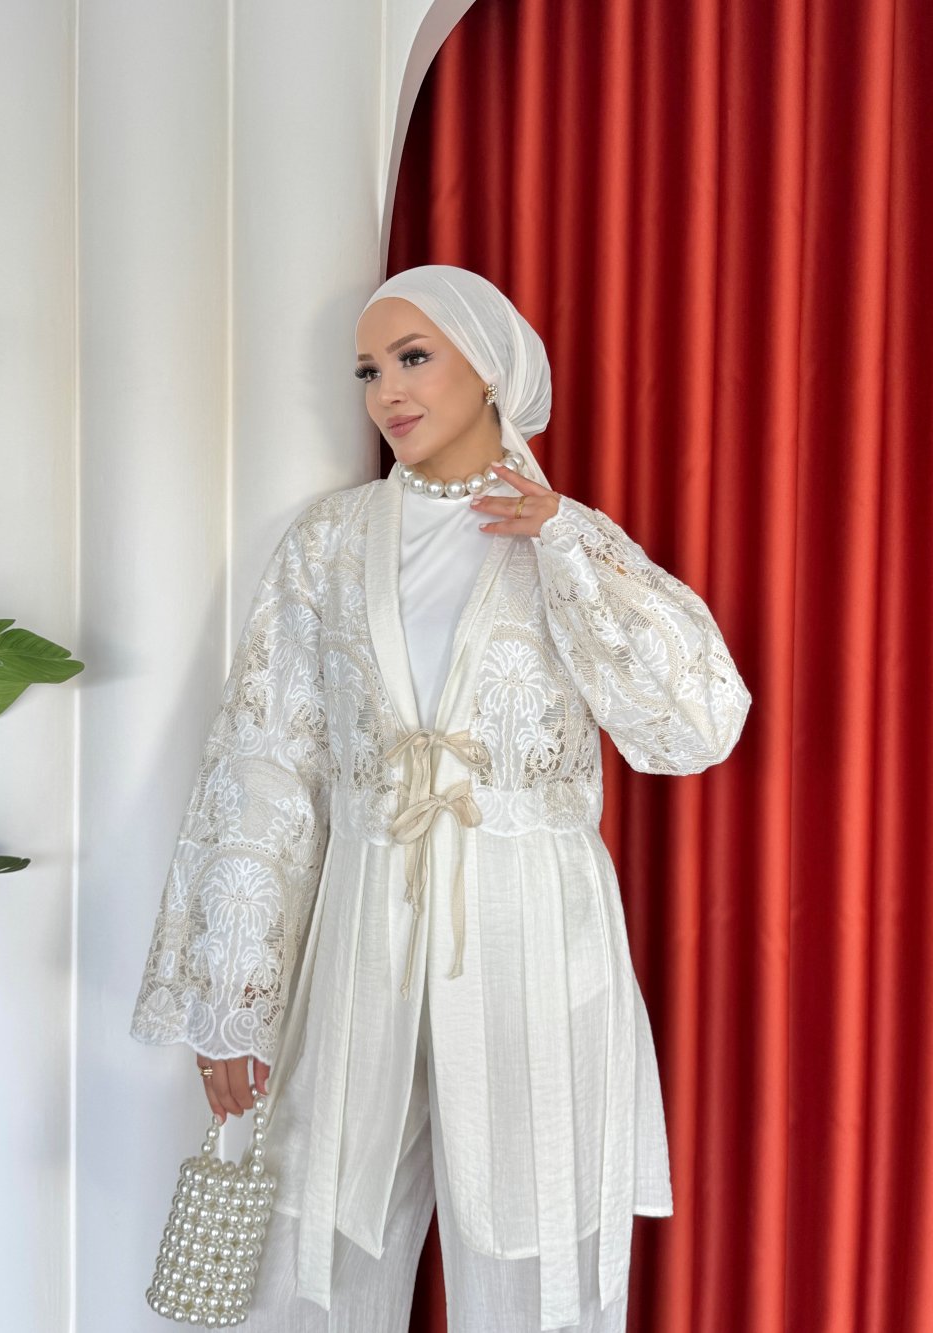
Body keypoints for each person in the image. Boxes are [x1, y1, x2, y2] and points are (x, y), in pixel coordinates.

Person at [131, 264, 752, 1332]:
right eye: (368, 370)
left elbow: (695, 724)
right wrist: (233, 997)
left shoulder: (569, 540)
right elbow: (265, 765)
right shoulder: (328, 542)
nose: (387, 391)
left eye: (413, 357)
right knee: (315, 1243)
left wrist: (565, 542)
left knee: (536, 1248)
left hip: (532, 923)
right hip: (364, 921)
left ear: (492, 367)